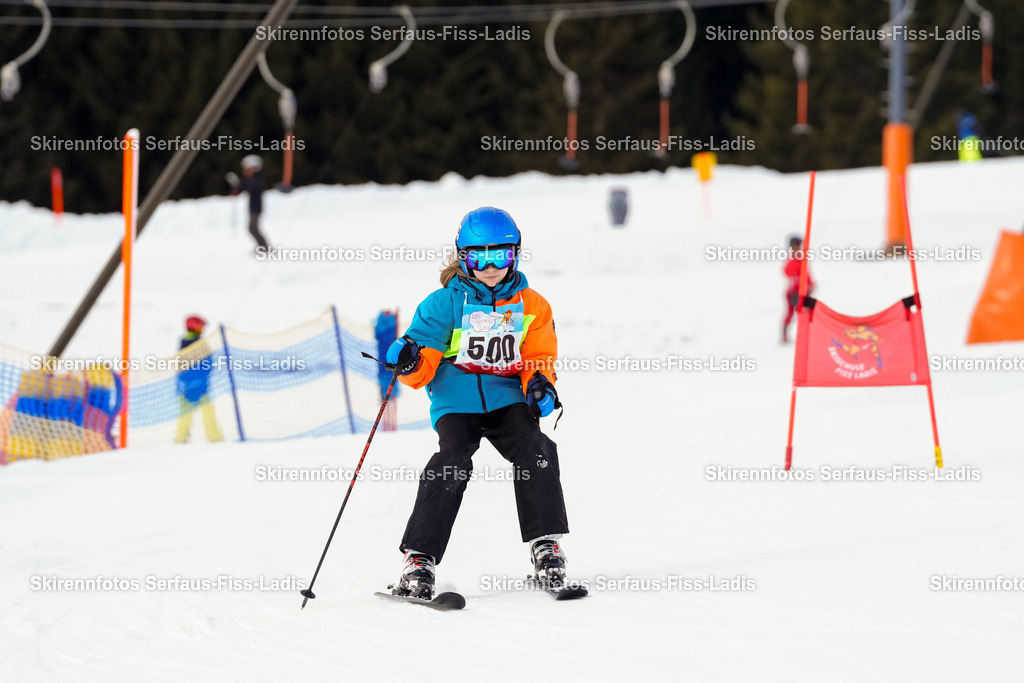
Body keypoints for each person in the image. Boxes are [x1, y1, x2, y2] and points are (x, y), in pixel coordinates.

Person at [384, 207, 570, 600]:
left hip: (507, 397)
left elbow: (539, 355)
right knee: (452, 462)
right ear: (462, 257)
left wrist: (540, 383)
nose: (489, 266)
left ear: (515, 255)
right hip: (456, 399)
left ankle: (546, 548)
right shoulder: (442, 304)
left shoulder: (532, 305)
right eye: (478, 257)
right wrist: (410, 359)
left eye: (499, 256)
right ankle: (419, 561)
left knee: (537, 449)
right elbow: (419, 368)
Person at [175, 315, 223, 444]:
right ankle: (215, 438)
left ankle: (181, 439)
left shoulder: (184, 344)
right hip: (197, 389)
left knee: (187, 416)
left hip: (190, 388)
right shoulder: (198, 345)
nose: (202, 329)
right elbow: (206, 366)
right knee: (206, 414)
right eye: (201, 327)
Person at [226, 155, 270, 251]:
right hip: (253, 208)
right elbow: (243, 188)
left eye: (247, 169)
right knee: (253, 228)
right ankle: (263, 247)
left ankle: (265, 248)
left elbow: (250, 187)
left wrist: (239, 184)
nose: (245, 172)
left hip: (256, 208)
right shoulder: (253, 180)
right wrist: (236, 186)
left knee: (252, 228)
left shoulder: (257, 180)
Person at [782, 235, 814, 344]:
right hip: (794, 292)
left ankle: (808, 334)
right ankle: (785, 335)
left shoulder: (801, 258)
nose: (798, 247)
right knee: (793, 312)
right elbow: (788, 272)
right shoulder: (792, 259)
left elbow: (807, 274)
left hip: (803, 291)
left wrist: (810, 284)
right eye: (797, 245)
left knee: (810, 311)